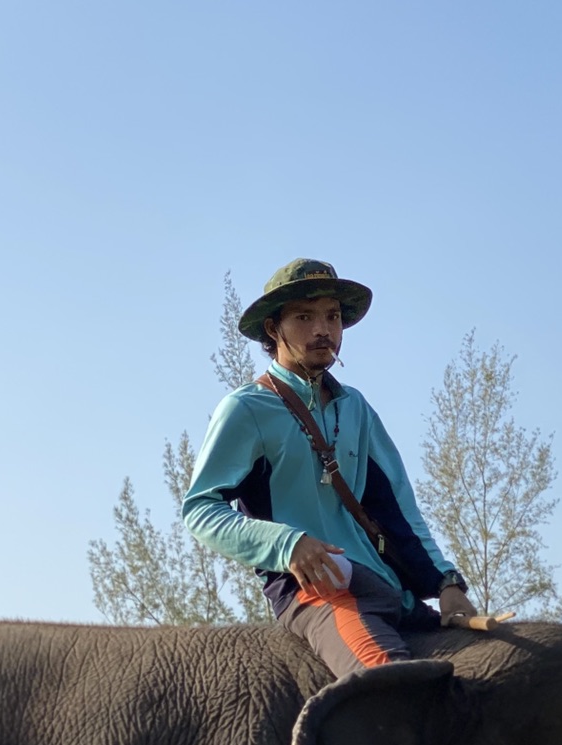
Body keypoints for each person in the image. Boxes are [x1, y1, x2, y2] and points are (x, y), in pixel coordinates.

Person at [183, 258, 486, 677]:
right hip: (319, 592)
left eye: (332, 317)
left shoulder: (355, 407)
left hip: (389, 590)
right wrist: (287, 544)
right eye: (304, 317)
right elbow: (200, 509)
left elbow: (396, 507)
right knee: (395, 688)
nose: (322, 329)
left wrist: (446, 584)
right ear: (274, 330)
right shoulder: (245, 408)